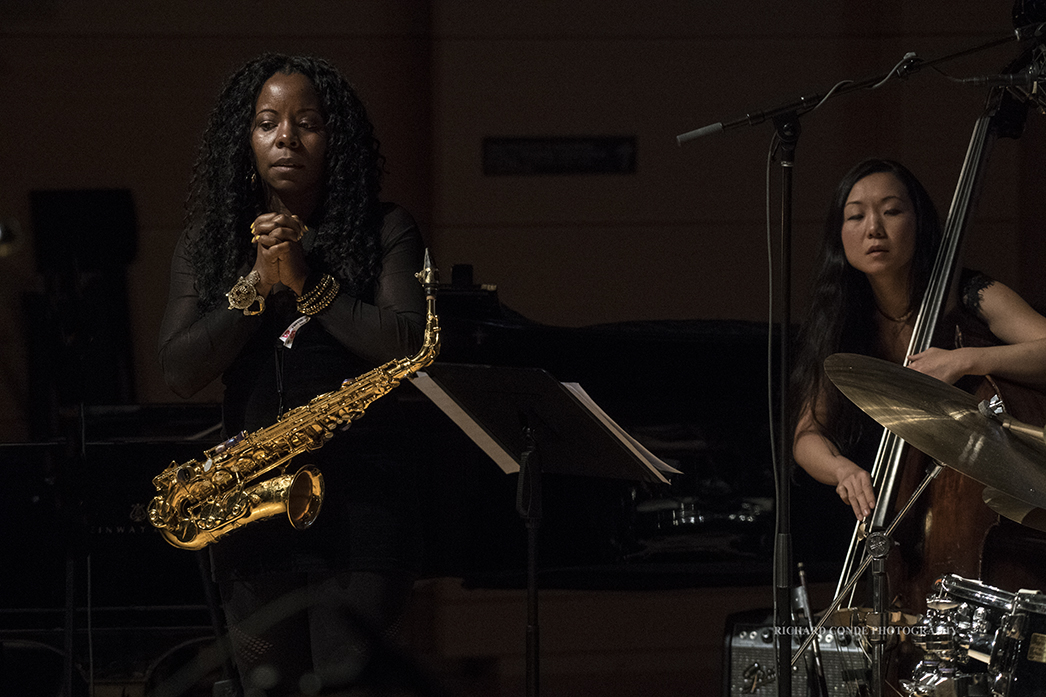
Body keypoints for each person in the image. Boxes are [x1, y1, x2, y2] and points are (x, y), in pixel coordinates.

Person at [158, 53, 429, 695]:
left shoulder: (386, 228)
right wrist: (256, 283)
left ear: (335, 138)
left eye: (307, 122)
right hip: (253, 511)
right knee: (264, 687)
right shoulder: (207, 245)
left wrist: (308, 282)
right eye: (268, 122)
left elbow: (406, 340)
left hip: (363, 506)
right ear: (245, 139)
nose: (286, 137)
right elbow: (178, 368)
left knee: (346, 685)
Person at [790, 158, 1046, 521]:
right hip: (910, 510)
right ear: (839, 235)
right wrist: (842, 471)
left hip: (1001, 501)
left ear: (919, 223)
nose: (874, 228)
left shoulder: (972, 295)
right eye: (856, 216)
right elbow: (808, 433)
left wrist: (968, 360)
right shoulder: (840, 320)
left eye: (892, 211)